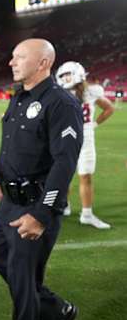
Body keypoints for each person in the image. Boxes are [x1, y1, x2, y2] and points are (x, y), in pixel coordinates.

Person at [0, 39, 83, 320]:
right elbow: (10, 141)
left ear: (43, 63)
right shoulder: (21, 97)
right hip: (10, 202)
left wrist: (41, 214)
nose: (11, 62)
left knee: (23, 277)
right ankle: (56, 311)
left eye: (19, 57)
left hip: (36, 205)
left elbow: (65, 163)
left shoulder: (60, 103)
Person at [56, 61, 115, 229]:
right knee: (63, 175)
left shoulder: (91, 91)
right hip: (64, 137)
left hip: (86, 137)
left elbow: (109, 108)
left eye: (68, 74)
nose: (66, 78)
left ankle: (87, 214)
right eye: (63, 75)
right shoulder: (59, 93)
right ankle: (64, 205)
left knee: (85, 175)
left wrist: (94, 124)